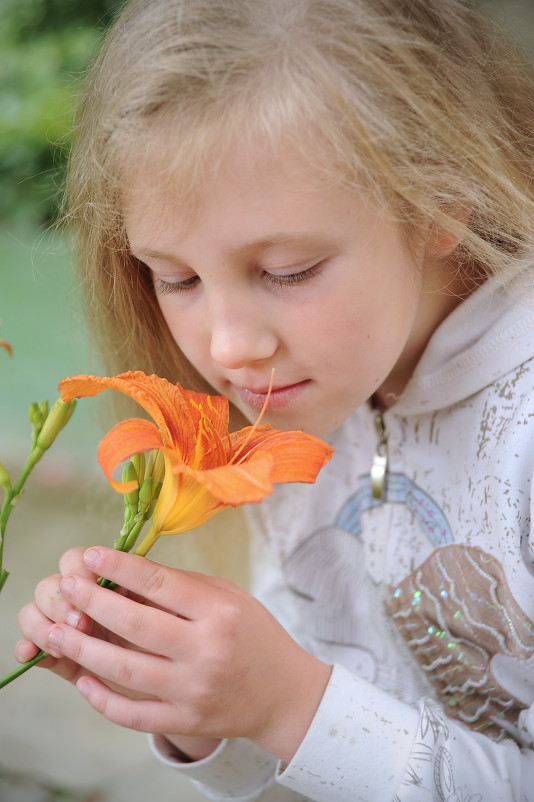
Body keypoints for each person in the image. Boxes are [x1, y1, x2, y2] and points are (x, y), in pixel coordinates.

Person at [14, 0, 534, 798]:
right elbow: (314, 751)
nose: (226, 348)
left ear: (439, 202)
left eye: (286, 270)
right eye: (175, 277)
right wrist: (200, 706)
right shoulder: (301, 396)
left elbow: (313, 712)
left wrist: (290, 703)